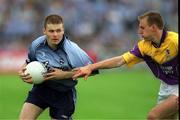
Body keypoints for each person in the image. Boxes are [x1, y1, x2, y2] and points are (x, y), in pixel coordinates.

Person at [73, 11, 179, 120]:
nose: (139, 31)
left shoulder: (175, 40)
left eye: (142, 28)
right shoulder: (143, 47)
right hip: (166, 86)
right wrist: (90, 67)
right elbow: (120, 60)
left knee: (153, 116)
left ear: (153, 27)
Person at [18, 14, 98, 120]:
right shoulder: (36, 45)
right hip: (42, 89)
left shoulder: (73, 50)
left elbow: (92, 70)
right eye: (51, 31)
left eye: (58, 30)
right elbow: (29, 61)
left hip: (64, 94)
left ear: (63, 30)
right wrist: (22, 71)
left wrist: (64, 75)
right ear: (44, 31)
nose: (55, 34)